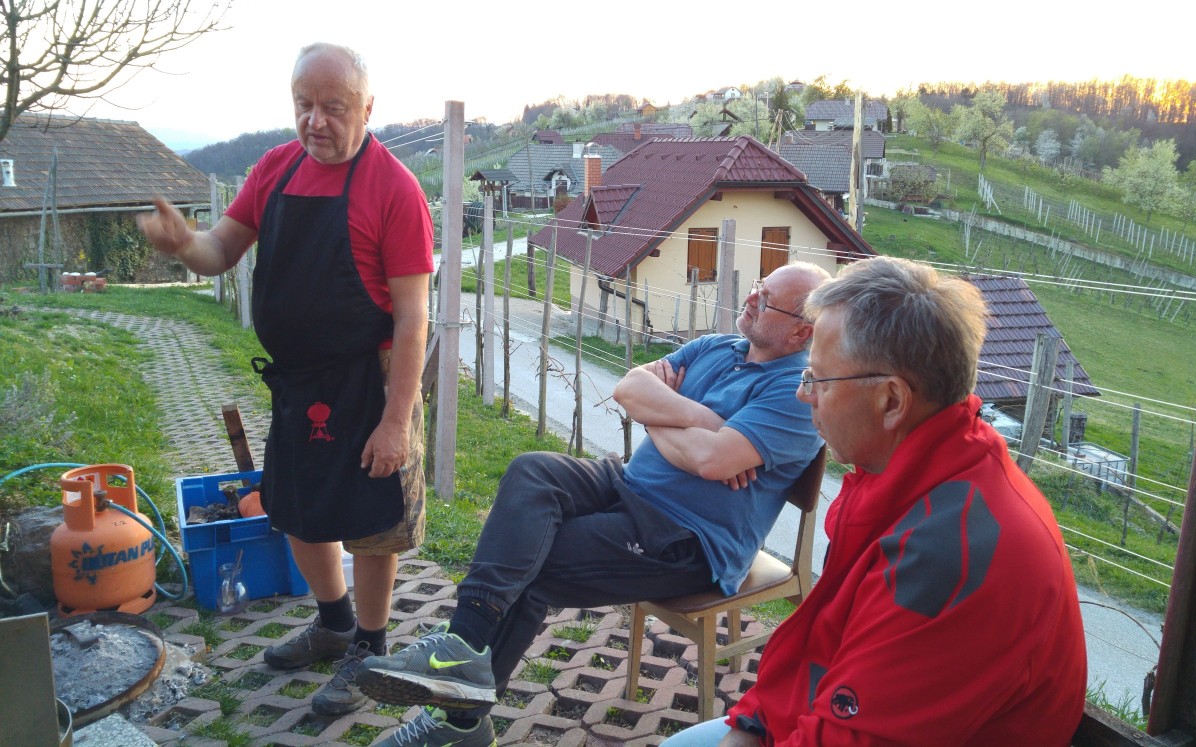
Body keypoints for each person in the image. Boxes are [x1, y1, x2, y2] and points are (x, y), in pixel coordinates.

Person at [356, 262, 831, 747]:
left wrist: (659, 414)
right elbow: (628, 389)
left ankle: (460, 720)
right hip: (629, 485)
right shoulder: (717, 346)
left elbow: (710, 461)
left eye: (766, 300)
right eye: (757, 288)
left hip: (689, 538)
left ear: (803, 331)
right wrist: (705, 419)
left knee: (534, 562)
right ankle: (462, 648)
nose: (751, 299)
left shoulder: (798, 393)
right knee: (533, 470)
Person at [662, 256, 1088, 746]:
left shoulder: (948, 549)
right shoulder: (908, 476)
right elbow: (821, 647)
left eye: (816, 379)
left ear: (891, 401)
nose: (804, 396)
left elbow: (856, 735)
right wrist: (754, 721)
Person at [137, 42, 434, 717]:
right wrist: (186, 243)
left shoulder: (395, 189)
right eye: (304, 105)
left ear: (366, 108)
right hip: (299, 381)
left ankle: (371, 646)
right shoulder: (274, 170)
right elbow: (220, 250)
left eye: (333, 107)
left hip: (371, 377)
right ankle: (333, 622)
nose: (315, 121)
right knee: (294, 503)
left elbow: (415, 318)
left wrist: (395, 419)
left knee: (370, 520)